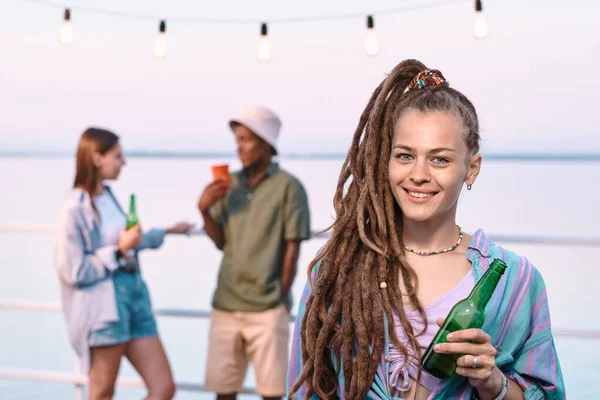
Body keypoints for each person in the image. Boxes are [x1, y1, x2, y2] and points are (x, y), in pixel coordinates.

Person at [287, 60, 566, 399]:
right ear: (385, 160)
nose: (418, 174)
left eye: (440, 159)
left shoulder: (515, 281)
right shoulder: (338, 267)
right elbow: (304, 389)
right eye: (405, 156)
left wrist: (494, 384)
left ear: (472, 168)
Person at [54, 127, 192, 400]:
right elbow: (73, 271)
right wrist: (118, 251)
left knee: (164, 388)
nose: (124, 162)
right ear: (96, 158)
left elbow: (129, 241)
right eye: (117, 156)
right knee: (103, 392)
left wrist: (166, 231)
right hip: (104, 308)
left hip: (135, 299)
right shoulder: (75, 209)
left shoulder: (109, 196)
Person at [198, 106, 311, 399]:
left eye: (247, 139)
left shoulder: (289, 187)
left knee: (273, 393)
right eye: (237, 139)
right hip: (226, 302)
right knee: (224, 392)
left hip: (267, 308)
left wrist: (279, 296)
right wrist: (204, 209)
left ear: (267, 143)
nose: (240, 147)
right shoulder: (229, 184)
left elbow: (292, 248)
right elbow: (221, 241)